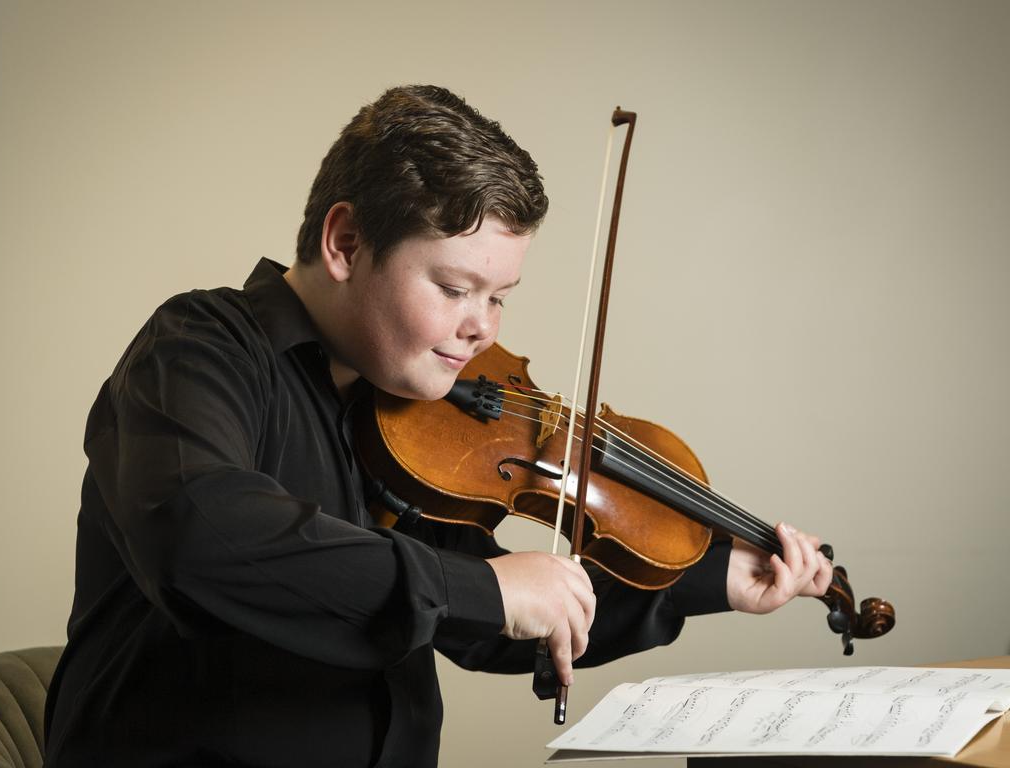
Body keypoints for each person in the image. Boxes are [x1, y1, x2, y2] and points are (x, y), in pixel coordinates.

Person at [42, 85, 832, 767]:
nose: (483, 330)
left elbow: (488, 622)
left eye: (500, 297)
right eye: (456, 288)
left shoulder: (409, 422)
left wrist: (710, 579)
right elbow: (199, 535)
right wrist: (480, 587)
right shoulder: (199, 348)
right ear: (346, 242)